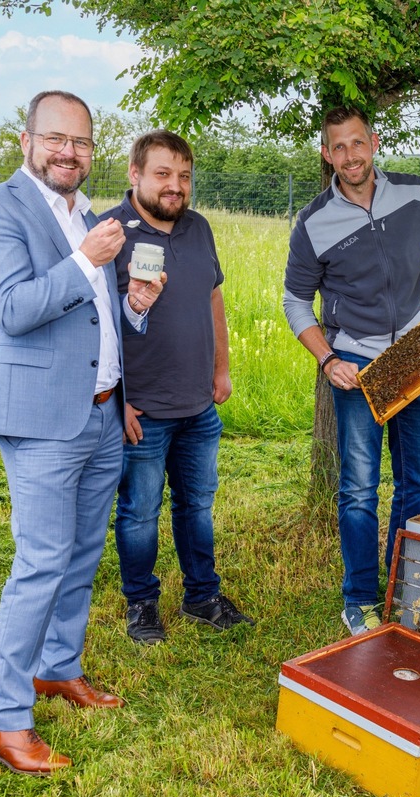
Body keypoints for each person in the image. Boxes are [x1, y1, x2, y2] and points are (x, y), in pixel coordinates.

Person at [0, 90, 164, 776]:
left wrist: (132, 308)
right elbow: (14, 309)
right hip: (42, 419)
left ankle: (58, 669)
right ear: (26, 140)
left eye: (80, 142)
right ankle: (4, 720)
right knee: (41, 562)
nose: (68, 153)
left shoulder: (89, 216)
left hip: (103, 412)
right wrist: (86, 261)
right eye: (56, 139)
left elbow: (94, 321)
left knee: (79, 557)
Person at [282, 107, 420, 636]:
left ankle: (406, 584)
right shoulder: (312, 222)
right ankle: (359, 598)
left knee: (418, 484)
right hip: (357, 365)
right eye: (338, 148)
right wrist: (327, 359)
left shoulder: (415, 193)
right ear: (327, 154)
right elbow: (296, 303)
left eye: (358, 143)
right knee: (356, 489)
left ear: (373, 142)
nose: (350, 156)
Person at [100, 130, 254, 645]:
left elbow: (213, 301)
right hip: (143, 410)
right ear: (135, 173)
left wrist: (221, 370)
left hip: (198, 407)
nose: (175, 186)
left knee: (196, 505)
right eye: (163, 174)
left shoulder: (198, 228)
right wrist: (118, 402)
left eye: (184, 176)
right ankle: (141, 604)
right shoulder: (108, 234)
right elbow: (93, 329)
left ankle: (201, 596)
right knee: (140, 513)